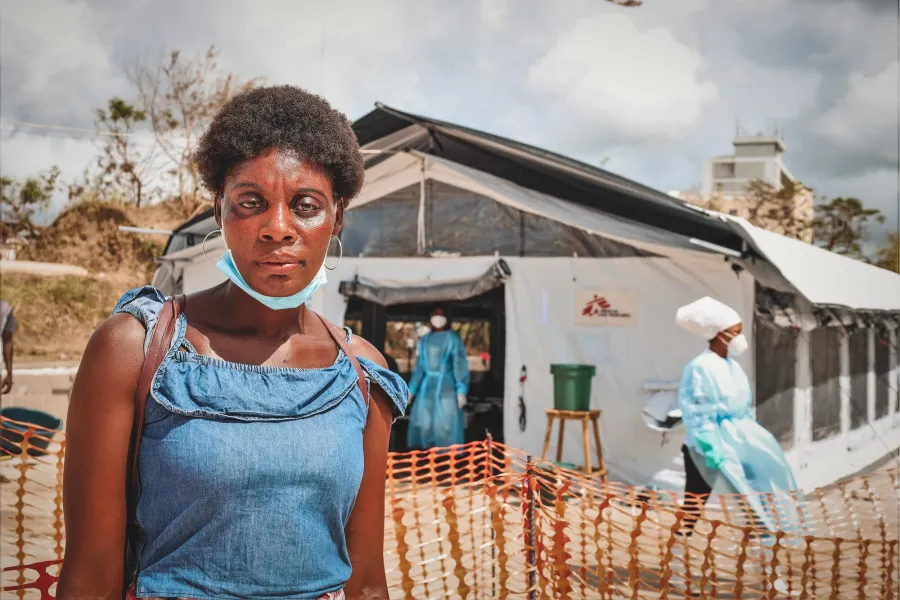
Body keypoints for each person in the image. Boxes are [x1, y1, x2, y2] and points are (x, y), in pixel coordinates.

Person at [58, 86, 409, 600]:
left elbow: (368, 584)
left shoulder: (360, 373)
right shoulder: (135, 349)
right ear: (218, 209)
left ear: (337, 216)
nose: (278, 229)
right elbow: (90, 577)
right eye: (252, 202)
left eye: (306, 205)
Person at [675, 296, 799, 536]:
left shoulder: (732, 366)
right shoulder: (700, 367)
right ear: (720, 334)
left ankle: (763, 540)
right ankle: (680, 542)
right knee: (696, 496)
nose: (740, 338)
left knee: (751, 492)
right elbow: (697, 411)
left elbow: (740, 404)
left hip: (737, 440)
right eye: (736, 332)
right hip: (708, 445)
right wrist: (710, 447)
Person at [406, 307, 470, 449]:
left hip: (447, 388)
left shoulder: (453, 339)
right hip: (426, 389)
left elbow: (459, 365)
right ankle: (426, 457)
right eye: (435, 314)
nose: (438, 317)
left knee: (447, 424)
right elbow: (419, 368)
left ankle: (447, 460)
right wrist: (411, 391)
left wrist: (461, 390)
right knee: (424, 423)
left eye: (441, 314)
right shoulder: (425, 340)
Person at [0, 299, 15, 395]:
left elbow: (7, 342)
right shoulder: (4, 308)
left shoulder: (4, 309)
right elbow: (7, 342)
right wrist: (9, 374)